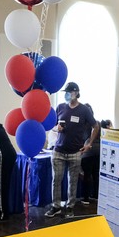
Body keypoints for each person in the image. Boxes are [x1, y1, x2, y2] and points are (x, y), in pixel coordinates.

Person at [45, 82, 99, 218]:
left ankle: (70, 207)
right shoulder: (60, 107)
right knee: (56, 180)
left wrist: (89, 144)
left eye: (69, 92)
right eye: (65, 93)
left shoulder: (84, 110)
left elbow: (96, 126)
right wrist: (57, 128)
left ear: (76, 93)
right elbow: (53, 125)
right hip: (58, 150)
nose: (67, 95)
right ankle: (55, 206)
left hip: (75, 151)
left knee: (72, 181)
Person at [81, 119, 111, 205]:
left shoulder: (87, 125)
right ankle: (96, 195)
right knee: (96, 175)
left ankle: (86, 198)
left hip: (88, 153)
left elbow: (84, 138)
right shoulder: (99, 126)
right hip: (99, 152)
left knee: (87, 176)